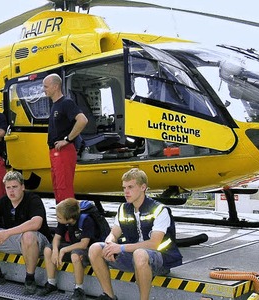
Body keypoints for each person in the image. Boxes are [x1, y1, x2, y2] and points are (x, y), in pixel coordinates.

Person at [88, 168, 182, 300]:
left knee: (140, 253)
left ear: (143, 187)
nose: (126, 191)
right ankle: (109, 296)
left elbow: (154, 244)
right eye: (124, 187)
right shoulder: (124, 208)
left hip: (160, 260)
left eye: (130, 187)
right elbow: (114, 234)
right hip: (133, 257)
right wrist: (110, 244)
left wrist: (120, 248)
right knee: (95, 248)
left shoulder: (160, 210)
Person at [0, 171, 51, 294]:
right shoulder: (4, 200)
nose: (11, 191)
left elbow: (36, 223)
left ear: (22, 187)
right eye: (8, 188)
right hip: (15, 240)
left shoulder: (33, 199)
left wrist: (7, 233)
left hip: (38, 242)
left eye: (15, 187)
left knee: (28, 236)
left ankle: (30, 279)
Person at [38, 198, 98, 299]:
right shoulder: (64, 220)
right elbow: (57, 237)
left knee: (75, 255)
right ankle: (51, 283)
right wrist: (56, 250)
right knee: (48, 249)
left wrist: (64, 250)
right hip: (74, 246)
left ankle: (79, 289)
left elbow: (84, 244)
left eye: (59, 217)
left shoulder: (86, 220)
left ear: (70, 219)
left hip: (88, 250)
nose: (57, 219)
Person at [43, 73, 88, 203]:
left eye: (46, 86)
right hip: (55, 151)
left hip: (64, 150)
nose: (44, 89)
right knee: (57, 186)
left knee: (64, 187)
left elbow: (82, 120)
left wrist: (67, 139)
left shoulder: (66, 103)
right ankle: (62, 217)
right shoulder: (54, 105)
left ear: (56, 86)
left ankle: (69, 220)